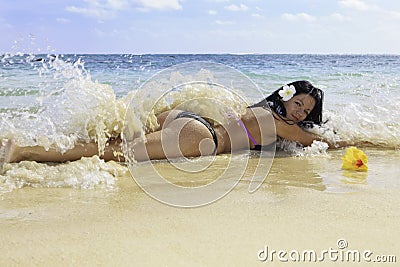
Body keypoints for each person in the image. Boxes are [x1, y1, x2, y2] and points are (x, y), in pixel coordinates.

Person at [0, 80, 343, 164]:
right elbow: (316, 143)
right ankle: (22, 151)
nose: (299, 112)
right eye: (297, 103)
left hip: (185, 119)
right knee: (110, 153)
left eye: (306, 110)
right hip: (200, 135)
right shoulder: (281, 123)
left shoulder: (259, 110)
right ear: (284, 96)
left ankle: (30, 141)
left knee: (112, 140)